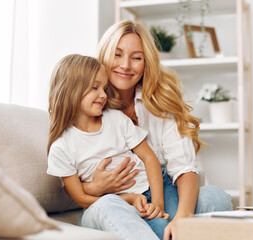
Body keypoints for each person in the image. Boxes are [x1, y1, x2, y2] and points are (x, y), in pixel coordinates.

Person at [78, 20, 233, 240]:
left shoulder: (159, 103)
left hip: (159, 197)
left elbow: (184, 168)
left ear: (146, 62)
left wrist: (182, 217)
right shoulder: (87, 105)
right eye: (117, 54)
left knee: (215, 197)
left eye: (136, 58)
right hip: (115, 204)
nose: (125, 65)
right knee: (112, 205)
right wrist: (94, 186)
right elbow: (68, 173)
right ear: (104, 55)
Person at [47, 54, 169, 240]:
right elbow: (80, 198)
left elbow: (150, 158)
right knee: (109, 202)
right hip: (106, 206)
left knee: (162, 226)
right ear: (71, 90)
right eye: (95, 87)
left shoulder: (116, 119)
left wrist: (158, 202)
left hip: (147, 194)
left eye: (104, 88)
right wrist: (128, 199)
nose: (103, 95)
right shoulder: (61, 147)